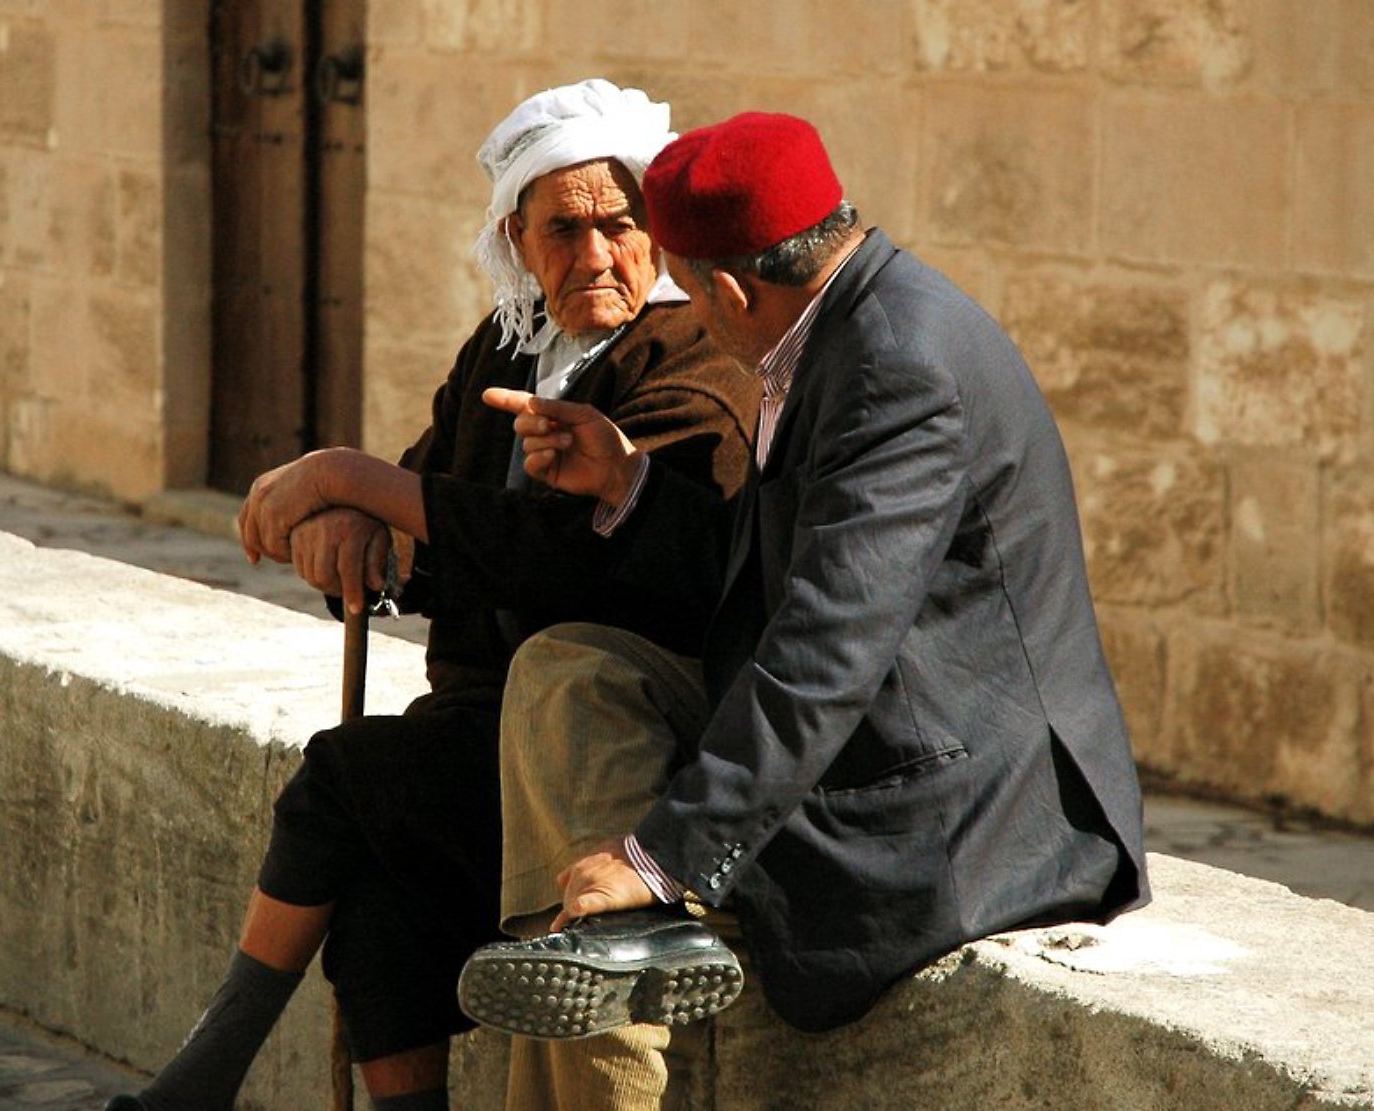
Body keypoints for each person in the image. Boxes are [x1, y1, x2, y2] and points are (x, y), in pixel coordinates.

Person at [460, 111, 1151, 1107]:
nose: (689, 316)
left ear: (733, 288)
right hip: (876, 740)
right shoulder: (835, 323)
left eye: (688, 294)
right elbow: (776, 569)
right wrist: (629, 483)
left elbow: (828, 649)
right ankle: (613, 941)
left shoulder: (896, 365)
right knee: (571, 673)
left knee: (591, 923)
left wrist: (660, 856)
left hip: (965, 813)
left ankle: (620, 940)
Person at [104, 81, 759, 1111]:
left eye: (620, 225)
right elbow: (435, 500)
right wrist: (361, 527)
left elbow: (565, 553)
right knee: (375, 906)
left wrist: (348, 477)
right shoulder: (506, 346)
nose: (594, 256)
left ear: (655, 233)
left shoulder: (696, 359)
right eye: (564, 230)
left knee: (341, 778)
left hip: (607, 745)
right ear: (518, 238)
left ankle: (204, 1073)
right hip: (484, 722)